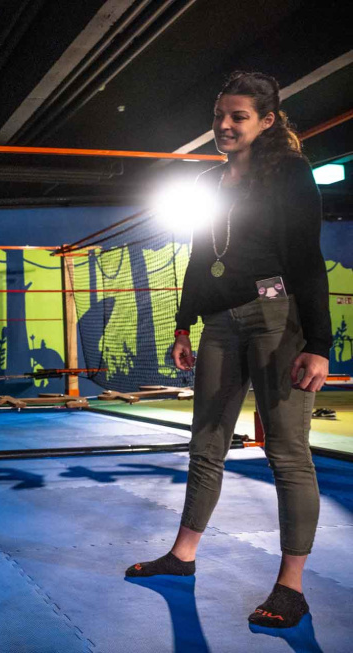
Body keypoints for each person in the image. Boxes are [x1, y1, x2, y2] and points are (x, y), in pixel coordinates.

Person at [126, 72, 330, 629]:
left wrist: (319, 343)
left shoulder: (287, 172)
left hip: (275, 318)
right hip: (219, 322)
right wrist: (182, 324)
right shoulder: (215, 182)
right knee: (205, 442)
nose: (224, 125)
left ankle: (291, 587)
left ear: (267, 121)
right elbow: (200, 256)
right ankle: (183, 555)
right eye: (219, 115)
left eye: (238, 116)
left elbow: (307, 256)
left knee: (286, 453)